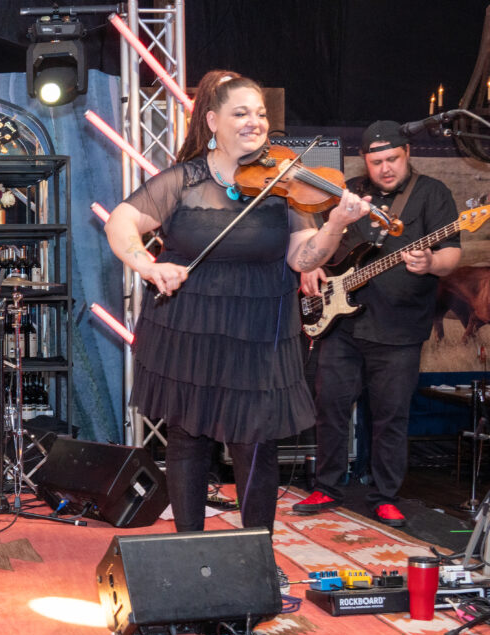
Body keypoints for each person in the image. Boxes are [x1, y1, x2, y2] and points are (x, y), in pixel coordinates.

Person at [104, 70, 366, 533]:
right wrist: (148, 266)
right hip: (189, 322)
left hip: (260, 325)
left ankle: (255, 554)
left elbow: (305, 256)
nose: (254, 122)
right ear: (212, 121)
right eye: (240, 113)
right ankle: (191, 545)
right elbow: (120, 223)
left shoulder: (286, 182)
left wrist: (336, 225)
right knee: (188, 438)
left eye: (260, 114)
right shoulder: (182, 180)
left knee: (256, 442)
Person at [293, 121, 460, 526]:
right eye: (376, 161)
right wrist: (309, 270)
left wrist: (430, 262)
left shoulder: (431, 194)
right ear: (364, 161)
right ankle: (326, 486)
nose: (385, 168)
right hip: (342, 325)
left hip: (399, 329)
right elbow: (313, 243)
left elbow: (452, 253)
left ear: (408, 154)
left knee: (390, 416)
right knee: (329, 408)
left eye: (392, 159)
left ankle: (385, 495)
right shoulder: (347, 192)